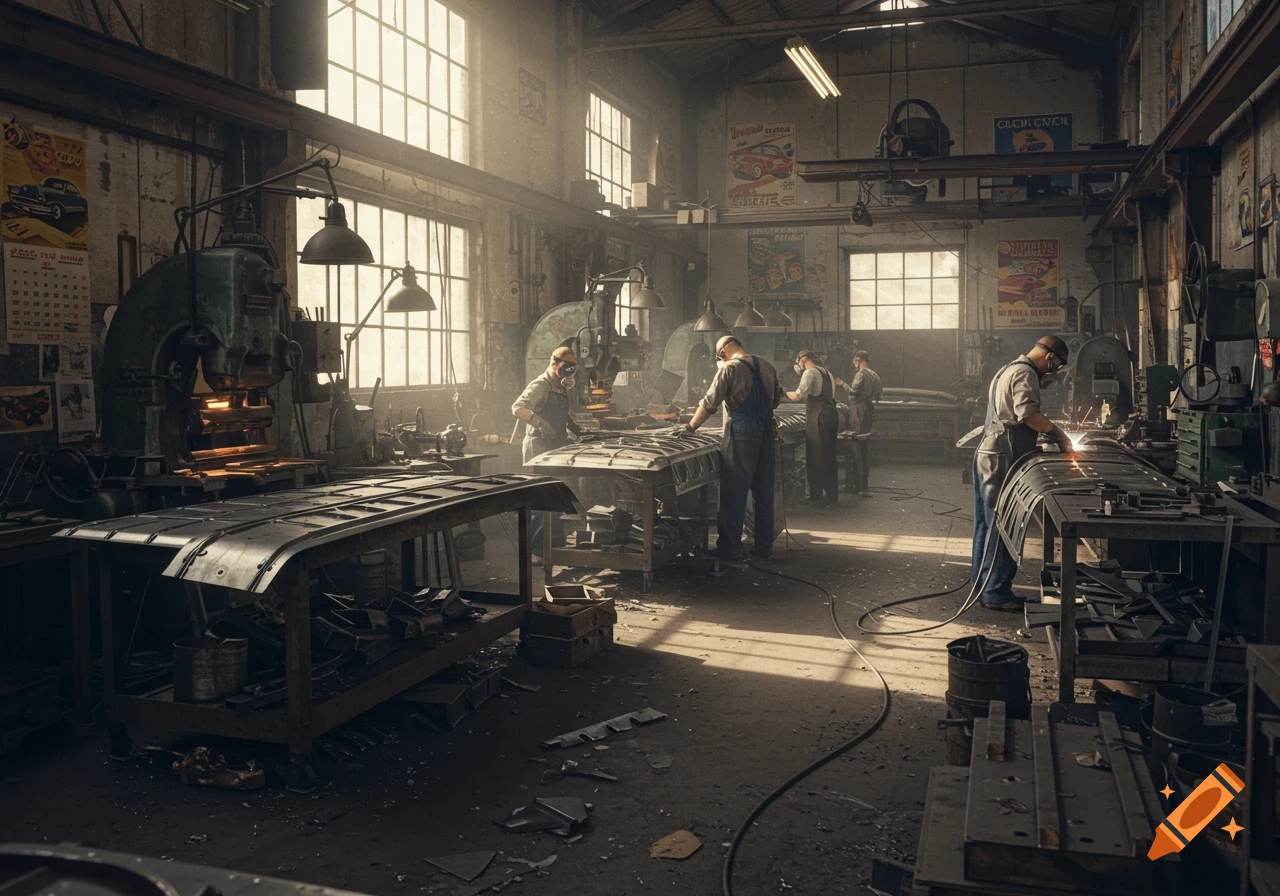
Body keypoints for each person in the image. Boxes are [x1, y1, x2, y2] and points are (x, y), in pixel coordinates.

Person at [972, 336, 1074, 610]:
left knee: (987, 522)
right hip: (1003, 457)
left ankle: (982, 586)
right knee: (1003, 523)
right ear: (1051, 357)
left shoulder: (1008, 368)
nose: (1054, 373)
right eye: (1057, 366)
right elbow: (1028, 414)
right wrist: (1058, 434)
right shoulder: (1025, 372)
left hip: (990, 454)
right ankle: (994, 592)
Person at [673, 334, 783, 560]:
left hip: (742, 434)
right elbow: (776, 400)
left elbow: (709, 404)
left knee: (734, 492)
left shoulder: (728, 369)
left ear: (722, 353)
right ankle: (764, 547)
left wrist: (690, 428)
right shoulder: (767, 366)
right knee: (764, 493)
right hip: (766, 434)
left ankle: (730, 548)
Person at [512, 345, 581, 546]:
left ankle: (554, 543)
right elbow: (518, 408)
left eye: (574, 366)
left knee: (557, 495)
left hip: (555, 445)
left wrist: (572, 424)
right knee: (542, 497)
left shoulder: (560, 385)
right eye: (567, 365)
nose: (571, 370)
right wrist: (542, 425)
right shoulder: (540, 385)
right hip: (538, 446)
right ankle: (538, 549)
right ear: (555, 363)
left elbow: (559, 411)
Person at [785, 350, 839, 506]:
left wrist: (781, 391)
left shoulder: (809, 372)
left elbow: (797, 396)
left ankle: (816, 496)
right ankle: (831, 496)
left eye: (799, 361)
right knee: (829, 455)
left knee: (815, 454)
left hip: (819, 416)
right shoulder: (827, 372)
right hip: (831, 414)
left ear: (803, 360)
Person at [841, 350, 882, 497]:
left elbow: (853, 392)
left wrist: (841, 384)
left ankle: (855, 485)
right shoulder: (874, 374)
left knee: (855, 442)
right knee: (865, 444)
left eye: (855, 360)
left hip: (858, 409)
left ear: (858, 360)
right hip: (869, 409)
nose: (854, 362)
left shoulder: (861, 374)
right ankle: (864, 485)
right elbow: (879, 394)